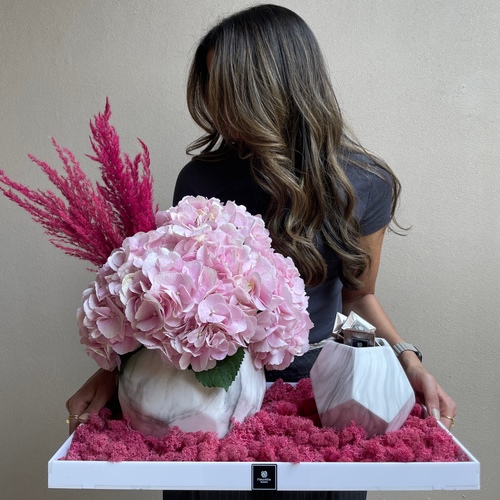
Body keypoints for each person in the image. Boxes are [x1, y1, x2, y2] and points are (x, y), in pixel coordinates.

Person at [66, 5, 456, 499]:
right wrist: (109, 373)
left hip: (318, 396)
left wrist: (410, 362)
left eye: (224, 89)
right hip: (207, 392)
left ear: (271, 87)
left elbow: (359, 297)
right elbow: (173, 302)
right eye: (208, 88)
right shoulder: (200, 179)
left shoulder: (364, 183)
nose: (212, 105)